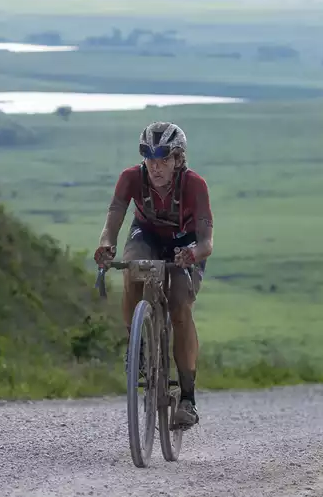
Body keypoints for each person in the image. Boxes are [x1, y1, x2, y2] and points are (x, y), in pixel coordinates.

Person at [93, 121, 214, 430]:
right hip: (146, 234)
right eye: (150, 159)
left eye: (163, 160)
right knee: (132, 268)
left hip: (186, 243)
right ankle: (139, 346)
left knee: (179, 306)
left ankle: (188, 398)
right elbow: (114, 217)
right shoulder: (131, 178)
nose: (156, 167)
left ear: (178, 160)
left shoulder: (195, 185)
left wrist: (191, 255)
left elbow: (206, 243)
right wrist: (106, 243)